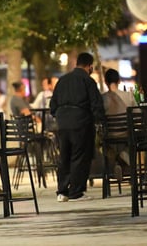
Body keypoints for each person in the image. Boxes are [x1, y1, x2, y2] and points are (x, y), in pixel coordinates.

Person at [50, 52, 105, 202]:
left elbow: (52, 105)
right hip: (81, 121)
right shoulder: (87, 81)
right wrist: (99, 120)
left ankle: (62, 191)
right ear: (89, 66)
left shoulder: (62, 80)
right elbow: (96, 104)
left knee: (64, 156)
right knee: (80, 156)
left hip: (62, 122)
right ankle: (76, 191)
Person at [102, 69, 136, 179]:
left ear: (106, 82)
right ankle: (123, 158)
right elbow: (137, 115)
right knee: (134, 139)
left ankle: (117, 160)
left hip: (110, 136)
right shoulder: (129, 96)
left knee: (99, 142)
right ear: (119, 81)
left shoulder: (102, 99)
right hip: (127, 134)